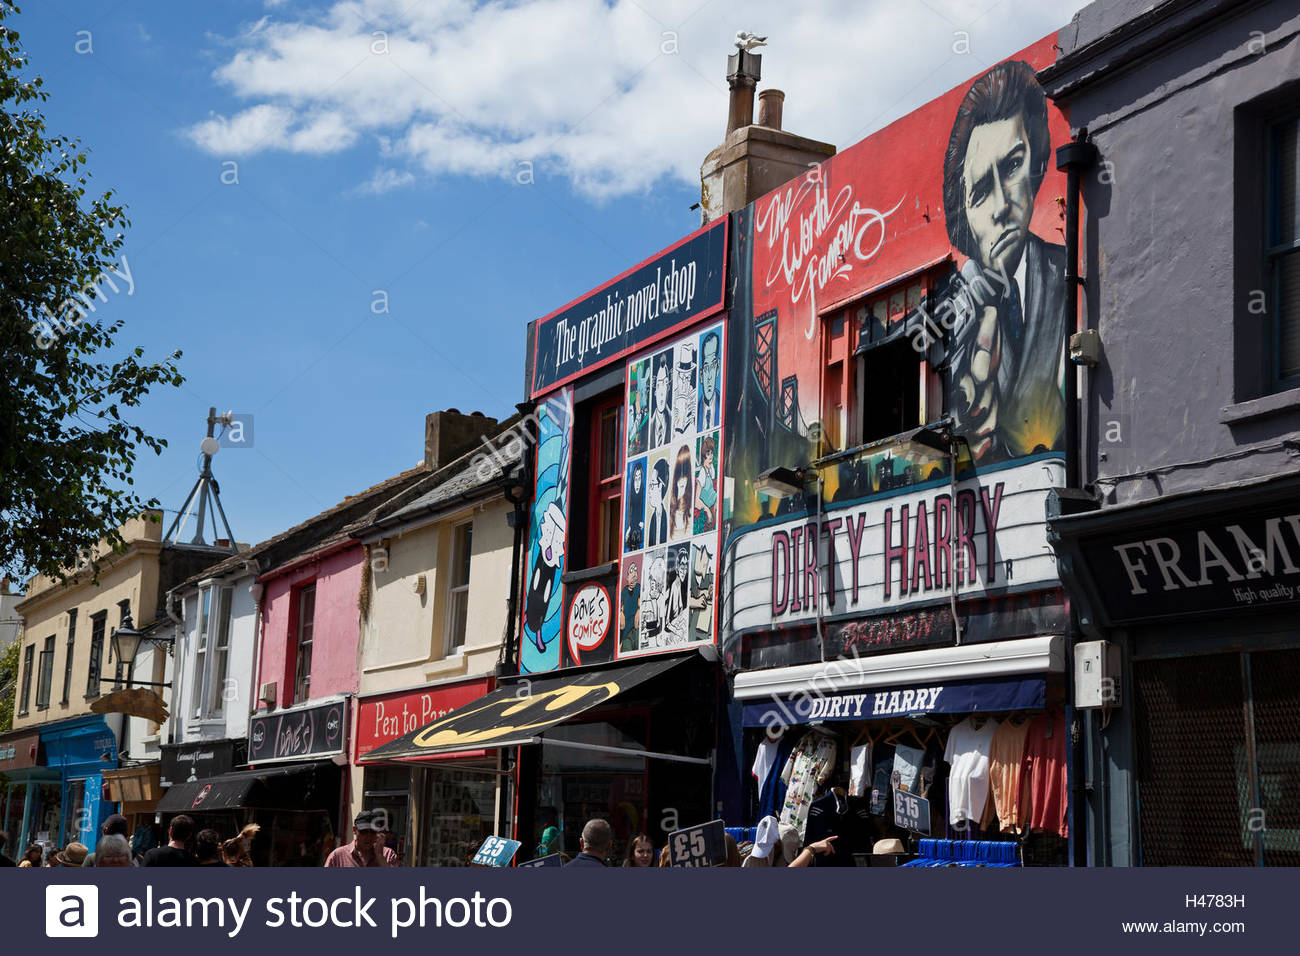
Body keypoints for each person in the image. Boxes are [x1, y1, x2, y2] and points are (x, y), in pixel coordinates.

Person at [941, 58, 1066, 464]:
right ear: (963, 215)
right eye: (979, 191)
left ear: (1038, 161)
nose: (1001, 205)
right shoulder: (949, 314)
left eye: (1013, 166)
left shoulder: (1072, 273)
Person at [323, 810, 398, 867]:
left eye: (372, 832)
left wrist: (380, 857)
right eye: (364, 831)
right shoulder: (338, 856)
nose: (368, 837)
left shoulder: (388, 854)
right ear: (354, 830)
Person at [669, 445, 693, 540]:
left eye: (686, 475)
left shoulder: (691, 509)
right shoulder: (671, 509)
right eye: (679, 474)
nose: (681, 482)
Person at [646, 458, 669, 546]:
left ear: (660, 486)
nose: (649, 491)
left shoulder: (665, 517)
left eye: (652, 485)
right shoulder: (653, 518)